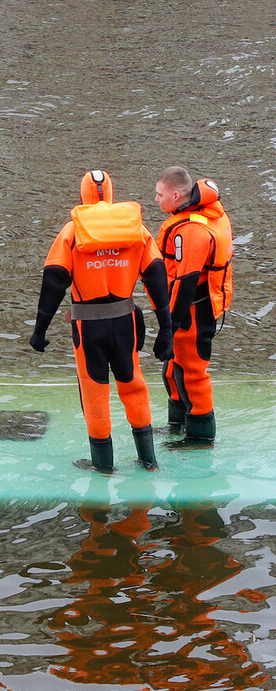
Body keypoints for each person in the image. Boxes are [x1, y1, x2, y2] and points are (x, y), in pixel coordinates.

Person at [31, 170, 173, 473]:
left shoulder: (72, 231)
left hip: (89, 327)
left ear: (83, 193)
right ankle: (149, 461)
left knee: (95, 392)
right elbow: (157, 277)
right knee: (133, 386)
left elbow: (54, 280)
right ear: (110, 192)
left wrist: (40, 330)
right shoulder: (136, 230)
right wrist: (166, 328)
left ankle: (103, 466)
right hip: (126, 323)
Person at [154, 166, 233, 447]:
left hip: (194, 310)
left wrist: (168, 328)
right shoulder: (197, 214)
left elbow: (185, 284)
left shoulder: (191, 231)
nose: (156, 199)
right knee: (172, 369)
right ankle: (177, 425)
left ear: (176, 195)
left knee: (192, 373)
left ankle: (200, 437)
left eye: (160, 194)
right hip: (184, 308)